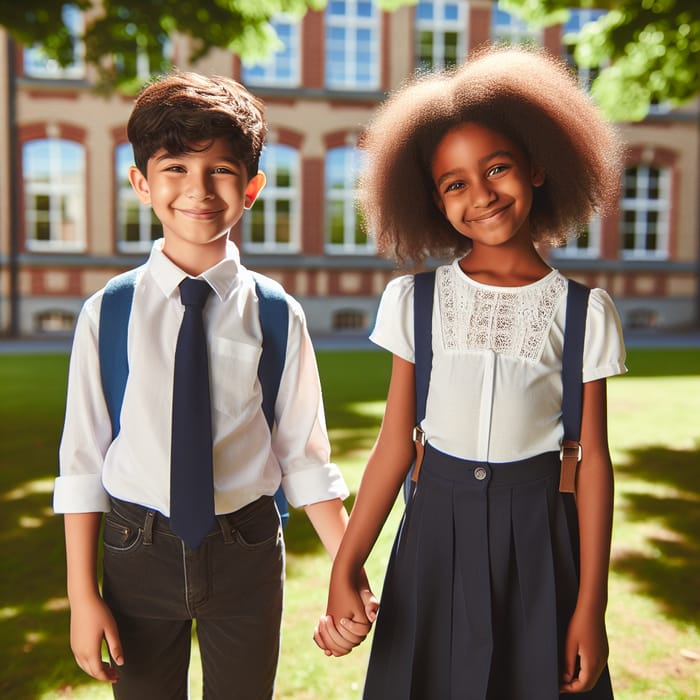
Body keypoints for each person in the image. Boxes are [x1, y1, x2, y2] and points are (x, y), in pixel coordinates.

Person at [314, 45, 626, 699]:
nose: (480, 195)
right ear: (432, 198)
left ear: (538, 166)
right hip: (434, 530)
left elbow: (593, 462)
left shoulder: (584, 311)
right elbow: (395, 444)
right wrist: (348, 564)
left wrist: (590, 609)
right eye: (455, 183)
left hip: (542, 536)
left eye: (497, 169)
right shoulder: (416, 300)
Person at [54, 70, 376, 700]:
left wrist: (350, 569)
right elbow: (82, 461)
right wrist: (81, 594)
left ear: (252, 187)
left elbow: (304, 457)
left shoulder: (276, 312)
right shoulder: (109, 311)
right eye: (174, 168)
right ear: (141, 183)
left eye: (221, 171)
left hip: (247, 550)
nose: (197, 190)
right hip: (136, 549)